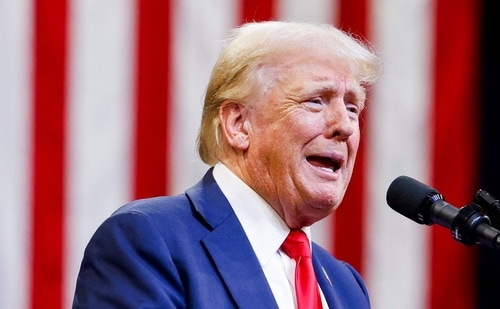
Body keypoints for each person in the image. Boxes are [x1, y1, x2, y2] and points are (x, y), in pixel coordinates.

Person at [72, 20, 381, 308]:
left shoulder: (345, 286)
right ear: (238, 124)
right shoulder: (148, 242)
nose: (345, 125)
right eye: (317, 100)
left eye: (353, 108)